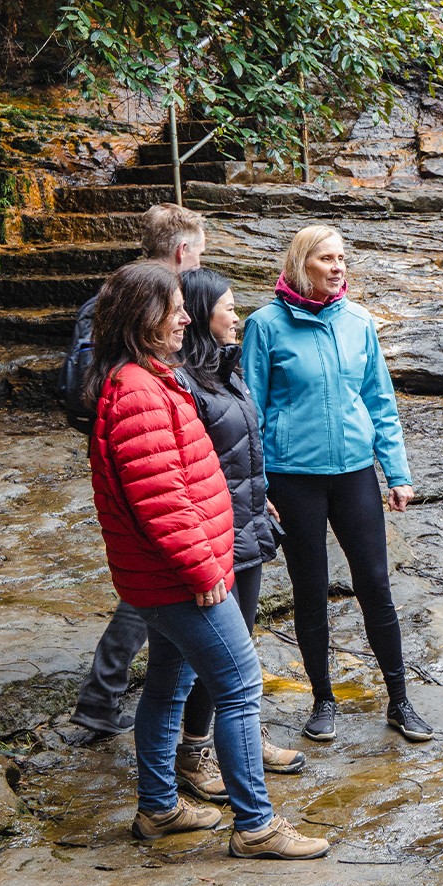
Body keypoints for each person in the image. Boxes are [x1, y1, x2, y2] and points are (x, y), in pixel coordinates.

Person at [86, 259, 327, 859]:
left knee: (168, 684)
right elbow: (162, 501)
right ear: (146, 318)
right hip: (178, 577)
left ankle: (160, 809)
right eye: (175, 307)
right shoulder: (138, 391)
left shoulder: (147, 377)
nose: (185, 317)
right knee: (241, 685)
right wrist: (204, 571)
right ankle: (256, 826)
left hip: (170, 575)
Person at [242, 225, 431, 744]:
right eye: (327, 259)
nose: (338, 267)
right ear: (302, 264)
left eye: (343, 258)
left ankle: (400, 699)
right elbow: (250, 414)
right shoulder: (265, 326)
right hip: (292, 478)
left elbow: (380, 402)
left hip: (354, 474)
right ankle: (323, 700)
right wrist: (258, 488)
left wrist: (397, 473)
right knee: (310, 590)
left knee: (375, 583)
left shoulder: (359, 322)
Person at [165, 267, 306, 803]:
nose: (237, 315)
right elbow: (188, 469)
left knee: (242, 638)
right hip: (212, 530)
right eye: (228, 306)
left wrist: (260, 493)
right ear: (203, 314)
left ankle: (244, 739)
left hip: (245, 519)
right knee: (220, 652)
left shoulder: (228, 369)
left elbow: (244, 445)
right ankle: (195, 752)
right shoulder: (185, 383)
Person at [69, 202, 208, 736]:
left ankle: (102, 699)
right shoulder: (161, 305)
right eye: (198, 251)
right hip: (149, 451)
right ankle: (103, 698)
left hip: (129, 449)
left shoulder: (111, 296)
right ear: (182, 250)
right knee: (153, 579)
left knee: (147, 578)